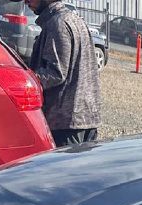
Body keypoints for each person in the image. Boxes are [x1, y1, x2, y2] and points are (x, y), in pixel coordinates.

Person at [26, 0, 101, 146]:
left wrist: (26, 80)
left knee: (61, 168)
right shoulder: (75, 20)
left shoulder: (57, 24)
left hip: (66, 123)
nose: (26, 1)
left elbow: (56, 73)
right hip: (85, 117)